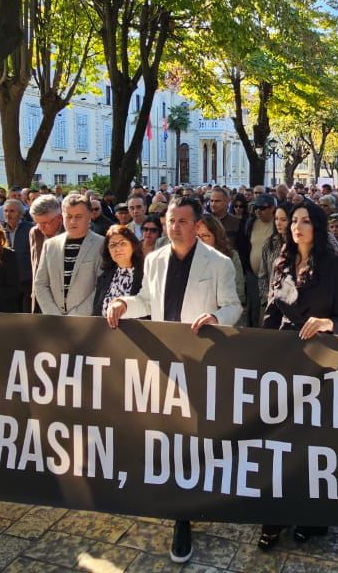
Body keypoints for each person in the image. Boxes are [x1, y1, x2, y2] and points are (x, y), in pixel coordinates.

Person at [104, 197, 241, 563]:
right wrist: (122, 305)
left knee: (195, 434)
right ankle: (179, 508)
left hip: (201, 359)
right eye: (170, 220)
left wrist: (216, 316)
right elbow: (146, 301)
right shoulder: (155, 259)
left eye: (182, 220)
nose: (175, 226)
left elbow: (234, 306)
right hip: (165, 360)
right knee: (170, 433)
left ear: (197, 225)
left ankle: (189, 508)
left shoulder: (219, 263)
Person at [256, 200, 338, 550]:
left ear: (317, 226)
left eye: (304, 221)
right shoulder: (280, 262)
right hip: (282, 361)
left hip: (319, 365)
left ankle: (313, 517)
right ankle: (275, 516)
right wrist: (257, 352)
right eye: (293, 220)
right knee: (279, 440)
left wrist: (328, 323)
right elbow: (270, 312)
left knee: (312, 442)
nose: (296, 226)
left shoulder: (337, 267)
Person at [34, 193, 105, 317]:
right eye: (69, 216)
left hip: (87, 320)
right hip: (55, 320)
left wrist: (76, 316)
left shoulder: (102, 245)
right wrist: (53, 314)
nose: (73, 221)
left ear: (89, 216)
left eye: (78, 216)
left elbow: (101, 286)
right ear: (62, 216)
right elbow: (40, 284)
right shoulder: (50, 245)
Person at [239, 193, 278, 326]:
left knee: (269, 310)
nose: (258, 211)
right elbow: (245, 246)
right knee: (254, 308)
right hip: (252, 275)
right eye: (256, 208)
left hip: (272, 277)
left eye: (262, 208)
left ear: (272, 208)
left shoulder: (279, 224)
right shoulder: (251, 223)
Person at [196, 214, 247, 315]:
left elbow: (239, 293)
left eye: (205, 236)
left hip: (223, 315)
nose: (200, 240)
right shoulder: (188, 257)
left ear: (216, 236)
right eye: (197, 236)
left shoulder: (231, 256)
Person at [92, 225, 144, 316]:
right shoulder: (104, 277)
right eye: (113, 245)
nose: (118, 249)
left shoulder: (146, 275)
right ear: (108, 251)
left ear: (133, 246)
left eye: (123, 243)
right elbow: (96, 312)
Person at [27, 195, 64, 313]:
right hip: (40, 299)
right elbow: (36, 267)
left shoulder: (72, 232)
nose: (40, 227)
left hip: (64, 301)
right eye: (37, 222)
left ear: (59, 218)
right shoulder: (35, 233)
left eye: (44, 222)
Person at [258, 203, 292, 313]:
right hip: (272, 302)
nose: (278, 223)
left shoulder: (299, 245)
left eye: (283, 219)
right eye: (276, 219)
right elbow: (262, 275)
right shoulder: (270, 244)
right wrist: (266, 297)